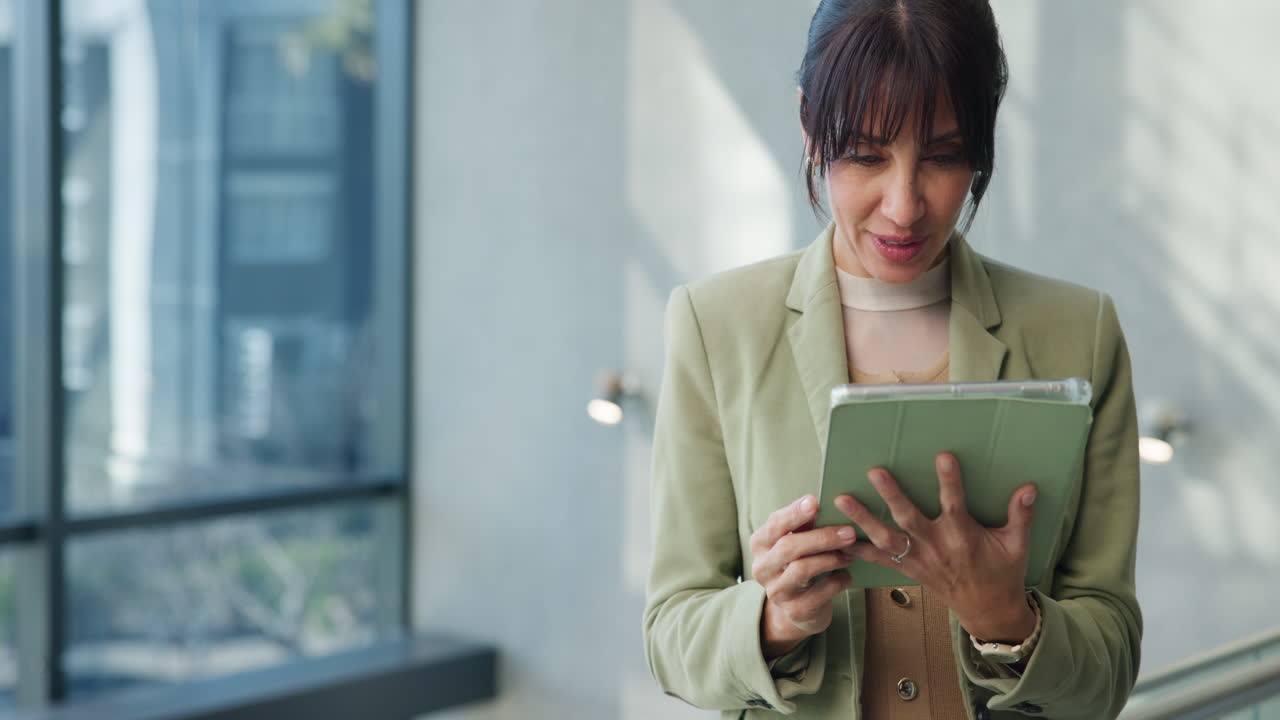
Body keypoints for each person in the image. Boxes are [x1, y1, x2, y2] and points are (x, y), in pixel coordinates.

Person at [642, 1, 1142, 718]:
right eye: (866, 155)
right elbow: (670, 634)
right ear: (810, 126)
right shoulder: (716, 326)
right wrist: (773, 620)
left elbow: (1112, 662)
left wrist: (1009, 622)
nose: (904, 206)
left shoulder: (1079, 332)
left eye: (942, 155)